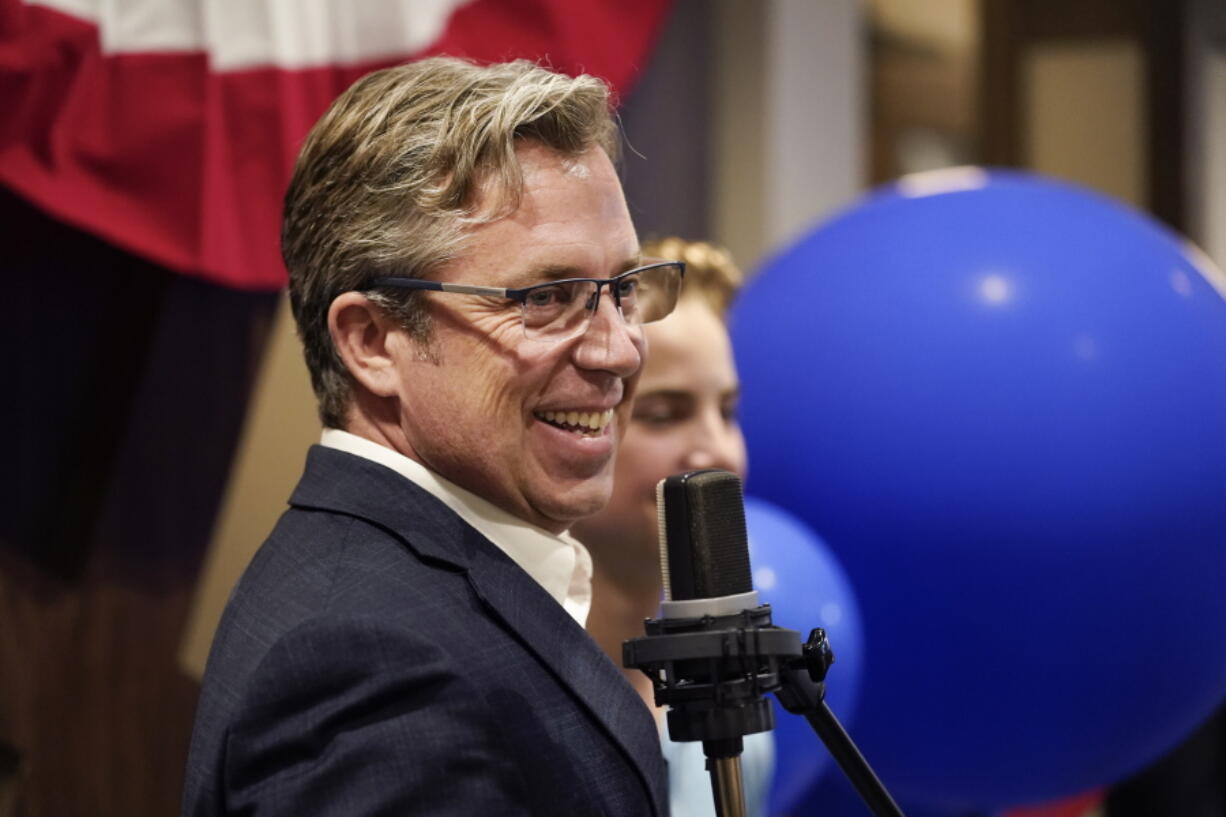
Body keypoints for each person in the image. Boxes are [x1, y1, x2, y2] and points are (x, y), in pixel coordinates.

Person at [182, 57, 684, 816]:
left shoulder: (411, 601)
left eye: (623, 289)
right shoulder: (365, 668)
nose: (617, 350)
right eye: (546, 297)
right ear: (373, 340)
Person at [571, 237, 775, 817]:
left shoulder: (740, 726)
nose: (719, 452)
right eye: (664, 414)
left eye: (728, 412)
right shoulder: (517, 694)